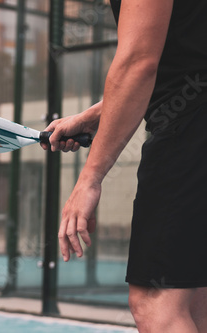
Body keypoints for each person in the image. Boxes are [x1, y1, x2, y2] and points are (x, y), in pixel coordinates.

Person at [41, 0, 207, 332]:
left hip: (191, 133)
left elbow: (139, 63)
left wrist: (89, 179)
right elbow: (181, 62)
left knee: (155, 303)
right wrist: (91, 117)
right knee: (195, 301)